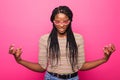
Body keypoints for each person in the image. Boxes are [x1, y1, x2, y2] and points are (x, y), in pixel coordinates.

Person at [9, 6, 116, 80]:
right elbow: (41, 68)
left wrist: (104, 59)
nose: (61, 25)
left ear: (70, 21)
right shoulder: (44, 39)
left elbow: (81, 66)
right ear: (53, 21)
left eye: (65, 21)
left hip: (73, 78)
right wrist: (19, 60)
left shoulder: (78, 38)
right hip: (51, 78)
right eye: (57, 21)